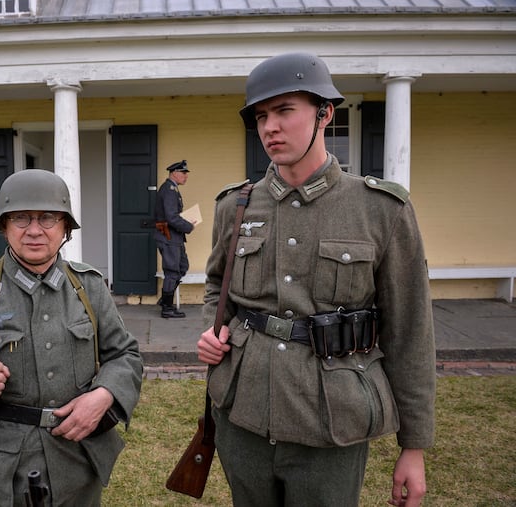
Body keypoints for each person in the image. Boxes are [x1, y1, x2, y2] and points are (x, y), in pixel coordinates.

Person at [197, 52, 436, 507]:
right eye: (262, 116)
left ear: (325, 113)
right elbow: (216, 285)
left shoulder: (380, 210)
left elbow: (411, 332)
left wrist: (414, 446)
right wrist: (214, 327)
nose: (270, 127)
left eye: (285, 111)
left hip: (332, 418)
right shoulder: (237, 206)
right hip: (242, 411)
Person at [0, 169, 143, 507]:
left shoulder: (89, 287)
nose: (34, 230)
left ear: (65, 228)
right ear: (4, 227)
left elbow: (125, 355)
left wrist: (104, 395)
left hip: (76, 460)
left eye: (48, 218)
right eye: (21, 218)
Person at [155, 160, 196, 318]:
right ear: (174, 173)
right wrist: (188, 226)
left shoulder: (172, 189)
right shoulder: (169, 190)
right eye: (183, 173)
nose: (186, 176)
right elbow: (171, 217)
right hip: (169, 236)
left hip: (174, 237)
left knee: (182, 266)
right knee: (172, 271)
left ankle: (165, 298)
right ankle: (167, 308)